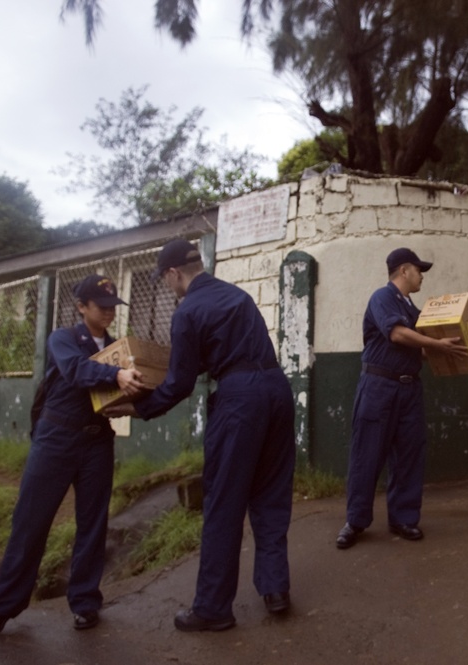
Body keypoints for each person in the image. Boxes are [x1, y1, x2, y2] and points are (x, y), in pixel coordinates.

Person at [106, 239, 296, 631]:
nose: (169, 288)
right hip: (277, 392)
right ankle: (276, 589)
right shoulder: (238, 296)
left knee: (224, 501)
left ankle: (212, 608)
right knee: (271, 494)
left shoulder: (188, 310)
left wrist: (139, 408)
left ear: (173, 273)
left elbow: (178, 383)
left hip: (240, 401)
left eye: (166, 281)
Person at [0, 275, 145, 639]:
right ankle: (2, 608)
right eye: (102, 307)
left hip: (97, 442)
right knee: (30, 522)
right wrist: (118, 375)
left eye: (113, 307)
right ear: (81, 307)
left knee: (92, 524)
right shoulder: (64, 339)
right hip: (56, 438)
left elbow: (126, 393)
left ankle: (84, 602)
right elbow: (76, 370)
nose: (109, 314)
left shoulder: (118, 349)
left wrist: (137, 394)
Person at [336, 248, 468, 549]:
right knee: (366, 454)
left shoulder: (413, 309)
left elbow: (419, 349)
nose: (422, 276)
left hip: (409, 389)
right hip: (379, 386)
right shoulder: (382, 298)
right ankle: (355, 521)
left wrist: (448, 353)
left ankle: (403, 519)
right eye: (419, 270)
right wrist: (437, 345)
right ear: (404, 270)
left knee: (409, 454)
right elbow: (397, 335)